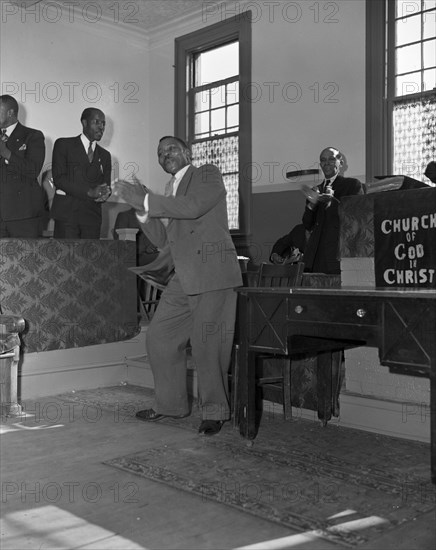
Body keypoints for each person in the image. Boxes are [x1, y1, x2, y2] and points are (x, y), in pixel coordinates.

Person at [113, 136, 242, 436]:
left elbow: (194, 207)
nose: (164, 155)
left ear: (186, 152)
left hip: (213, 273)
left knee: (208, 345)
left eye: (170, 149)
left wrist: (146, 199)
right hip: (183, 276)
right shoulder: (169, 192)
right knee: (159, 337)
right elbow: (162, 240)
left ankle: (215, 411)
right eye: (159, 153)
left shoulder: (206, 174)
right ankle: (170, 405)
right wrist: (142, 210)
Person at [50, 108, 112, 239]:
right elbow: (59, 179)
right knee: (65, 258)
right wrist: (89, 192)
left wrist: (106, 193)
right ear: (84, 123)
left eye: (103, 123)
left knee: (90, 259)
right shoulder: (63, 145)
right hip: (67, 215)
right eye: (97, 122)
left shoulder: (105, 156)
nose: (101, 127)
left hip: (92, 218)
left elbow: (106, 185)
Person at [301, 147, 363, 274]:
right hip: (315, 256)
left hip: (338, 253)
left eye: (331, 159)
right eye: (323, 160)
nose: (327, 163)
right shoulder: (315, 190)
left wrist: (332, 201)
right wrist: (311, 205)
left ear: (341, 162)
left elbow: (355, 217)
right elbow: (307, 224)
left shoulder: (352, 185)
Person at [0, 95, 46, 238]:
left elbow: (33, 170)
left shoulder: (32, 136)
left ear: (10, 112)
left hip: (23, 216)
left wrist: (7, 153)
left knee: (26, 259)